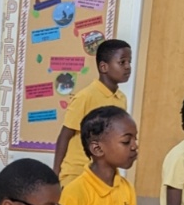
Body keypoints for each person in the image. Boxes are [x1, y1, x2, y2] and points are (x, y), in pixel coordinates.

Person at [52, 39, 132, 186]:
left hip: (101, 175)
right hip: (77, 173)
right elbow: (65, 135)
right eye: (122, 62)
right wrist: (54, 175)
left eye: (129, 62)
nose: (128, 67)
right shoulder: (85, 97)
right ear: (103, 67)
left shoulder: (121, 99)